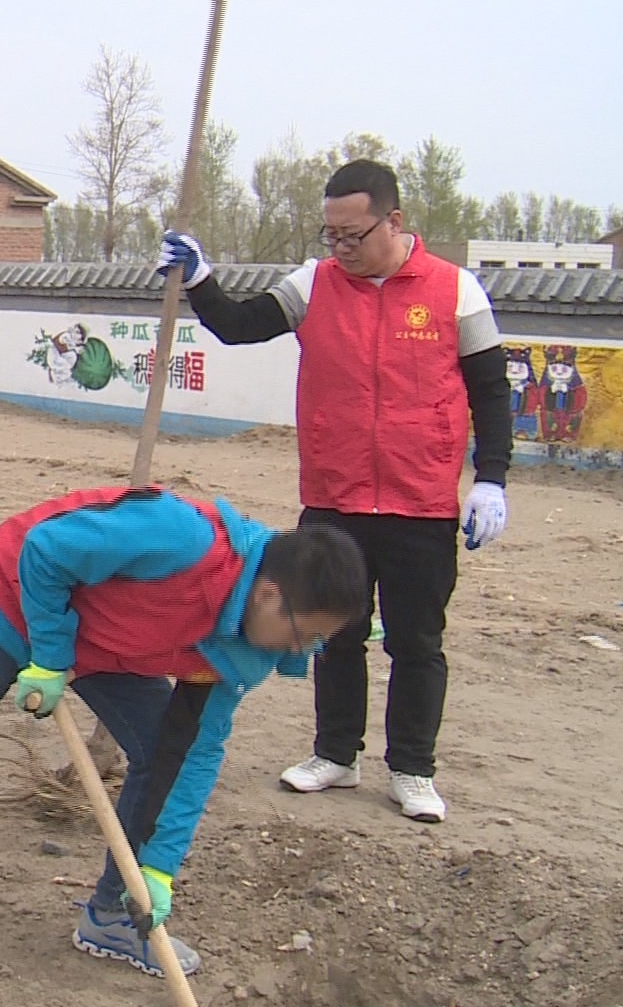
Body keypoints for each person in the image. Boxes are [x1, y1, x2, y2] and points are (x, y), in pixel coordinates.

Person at [0, 488, 369, 1005]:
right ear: (271, 596)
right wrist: (50, 657)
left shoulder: (250, 646)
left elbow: (193, 754)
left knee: (157, 751)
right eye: (308, 634)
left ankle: (110, 916)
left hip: (101, 642)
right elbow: (46, 549)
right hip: (5, 602)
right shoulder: (183, 538)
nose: (306, 650)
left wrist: (158, 870)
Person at [162, 158, 513, 824]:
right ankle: (335, 754)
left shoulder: (454, 290)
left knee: (415, 640)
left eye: (352, 236)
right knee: (334, 633)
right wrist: (202, 279)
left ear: (394, 220)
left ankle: (412, 767)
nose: (340, 249)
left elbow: (491, 393)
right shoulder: (315, 285)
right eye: (331, 236)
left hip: (420, 503)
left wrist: (490, 477)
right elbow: (238, 325)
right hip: (335, 497)